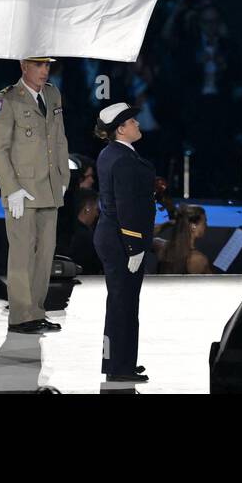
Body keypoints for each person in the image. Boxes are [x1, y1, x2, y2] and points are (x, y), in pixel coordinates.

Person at [0, 55, 69, 334]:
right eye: (39, 65)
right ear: (24, 66)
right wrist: (11, 190)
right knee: (22, 254)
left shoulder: (53, 94)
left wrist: (63, 177)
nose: (45, 71)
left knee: (45, 253)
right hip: (22, 190)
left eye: (47, 66)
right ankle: (21, 315)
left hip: (48, 187)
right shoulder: (7, 99)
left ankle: (36, 311)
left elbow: (59, 138)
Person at [93, 102, 156, 383]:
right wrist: (134, 246)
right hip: (122, 241)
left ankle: (121, 362)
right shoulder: (122, 159)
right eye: (132, 122)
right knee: (123, 304)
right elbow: (126, 206)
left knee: (123, 302)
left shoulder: (112, 153)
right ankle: (119, 367)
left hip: (113, 237)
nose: (138, 124)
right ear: (120, 129)